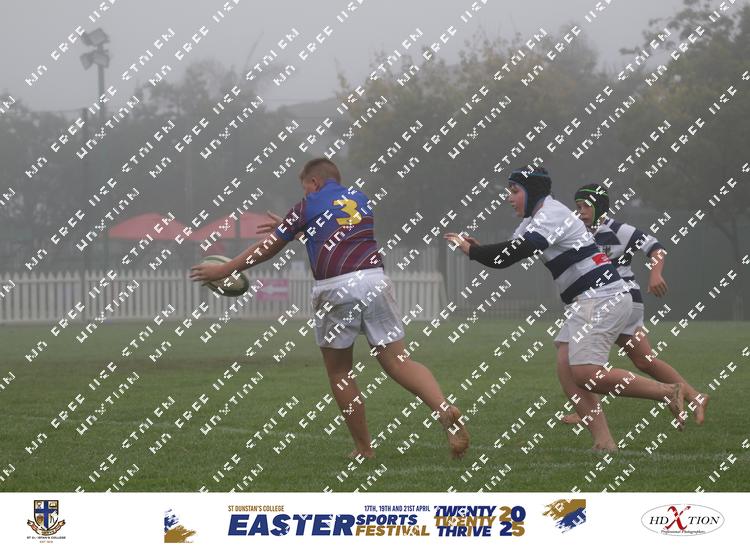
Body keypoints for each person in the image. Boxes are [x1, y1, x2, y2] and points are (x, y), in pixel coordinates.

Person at [190, 157, 470, 459]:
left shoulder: (306, 206)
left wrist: (225, 270)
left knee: (340, 372)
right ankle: (444, 409)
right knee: (399, 362)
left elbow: (268, 247)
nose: (305, 193)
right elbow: (336, 236)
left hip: (336, 287)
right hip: (375, 280)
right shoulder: (361, 199)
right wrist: (295, 230)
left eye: (305, 187)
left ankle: (364, 449)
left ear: (315, 182)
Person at [445, 165, 686, 451]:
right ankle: (604, 442)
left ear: (532, 191)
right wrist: (478, 250)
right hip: (588, 299)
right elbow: (506, 255)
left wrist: (473, 251)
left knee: (586, 374)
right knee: (566, 368)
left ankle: (667, 391)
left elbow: (515, 252)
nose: (509, 197)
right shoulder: (534, 219)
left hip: (601, 296)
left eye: (514, 191)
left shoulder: (552, 213)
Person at [557, 185, 708, 425]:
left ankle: (585, 410)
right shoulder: (578, 232)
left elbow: (656, 248)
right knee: (643, 360)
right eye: (578, 207)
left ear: (601, 207)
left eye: (586, 206)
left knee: (574, 355)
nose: (581, 211)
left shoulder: (619, 230)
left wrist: (655, 274)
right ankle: (695, 397)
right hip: (605, 301)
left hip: (617, 300)